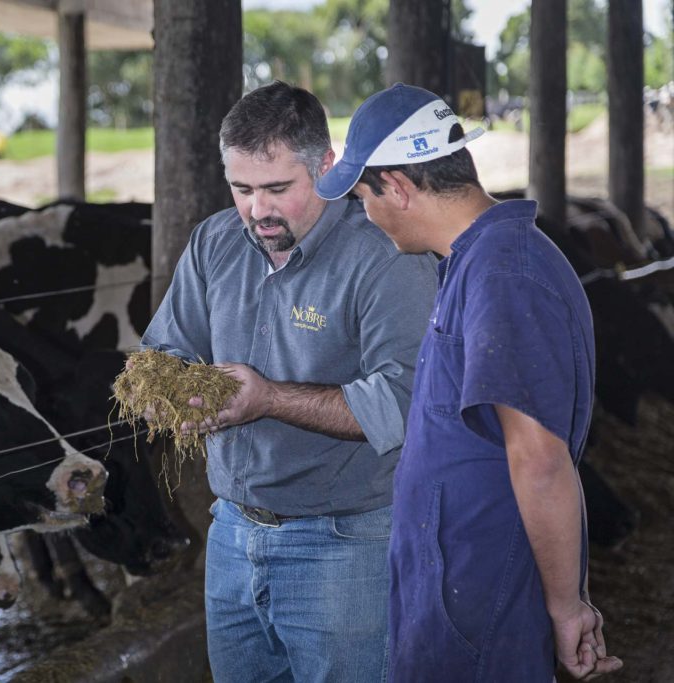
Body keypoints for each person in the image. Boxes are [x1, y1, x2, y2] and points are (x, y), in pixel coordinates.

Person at [315, 82, 623, 682]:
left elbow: (539, 458)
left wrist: (566, 605)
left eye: (362, 195)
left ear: (398, 187)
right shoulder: (477, 260)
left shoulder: (503, 273)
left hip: (479, 591)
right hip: (458, 580)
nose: (365, 212)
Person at [138, 81, 438, 682]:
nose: (257, 210)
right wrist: (170, 395)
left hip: (346, 541)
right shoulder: (215, 241)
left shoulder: (386, 255)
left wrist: (268, 398)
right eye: (241, 188)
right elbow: (162, 351)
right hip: (230, 534)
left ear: (326, 168)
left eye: (278, 189)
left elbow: (405, 403)